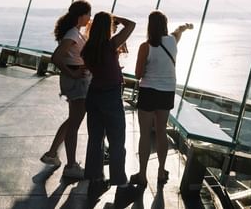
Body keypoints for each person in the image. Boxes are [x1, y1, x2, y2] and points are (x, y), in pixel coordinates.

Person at [131, 10, 192, 187]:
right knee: (161, 132)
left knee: (144, 134)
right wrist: (187, 27)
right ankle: (161, 171)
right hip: (166, 93)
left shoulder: (146, 46)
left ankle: (142, 175)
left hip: (148, 92)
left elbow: (137, 74)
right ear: (165, 25)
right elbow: (179, 30)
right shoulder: (172, 40)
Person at [81, 12, 136, 197]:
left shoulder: (87, 49)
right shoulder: (110, 45)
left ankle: (95, 181)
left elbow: (98, 68)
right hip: (110, 96)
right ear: (107, 27)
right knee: (117, 140)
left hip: (94, 95)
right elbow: (131, 25)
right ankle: (121, 183)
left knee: (95, 140)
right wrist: (118, 18)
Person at [40, 0, 92, 180]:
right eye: (88, 14)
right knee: (75, 124)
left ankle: (52, 154)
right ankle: (70, 166)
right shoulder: (72, 33)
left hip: (76, 80)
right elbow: (56, 57)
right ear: (82, 15)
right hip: (77, 83)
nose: (90, 18)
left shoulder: (75, 32)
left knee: (72, 120)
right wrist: (73, 73)